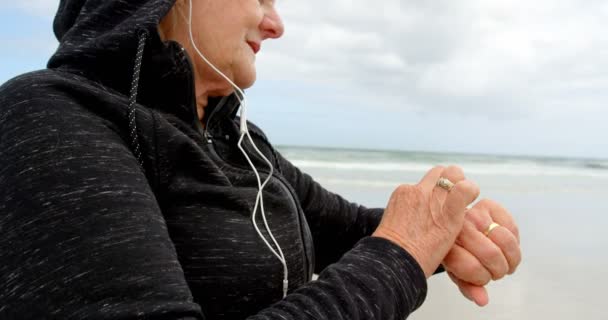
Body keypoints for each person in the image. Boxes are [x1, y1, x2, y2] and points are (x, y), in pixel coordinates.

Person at [0, 0, 522, 319]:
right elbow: (389, 246)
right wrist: (404, 251)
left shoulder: (237, 139)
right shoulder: (51, 115)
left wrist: (445, 232)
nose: (276, 25)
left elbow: (347, 230)